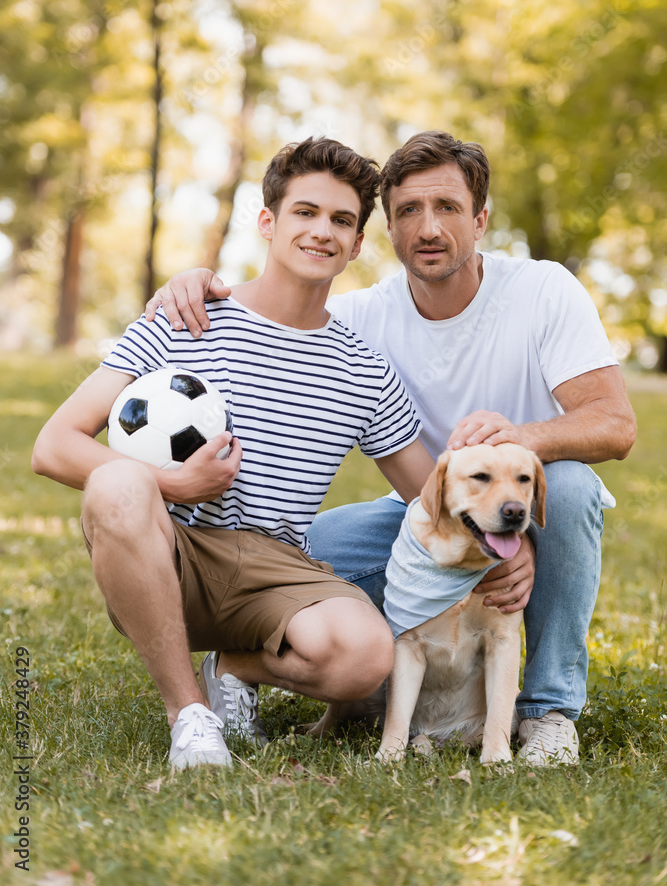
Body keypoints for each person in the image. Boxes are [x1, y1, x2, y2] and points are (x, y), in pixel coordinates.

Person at [148, 130, 637, 766]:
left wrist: (523, 439)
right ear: (385, 229)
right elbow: (276, 302)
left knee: (568, 485)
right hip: (421, 511)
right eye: (409, 211)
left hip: (526, 502)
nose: (429, 227)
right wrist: (192, 282)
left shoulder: (543, 291)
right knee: (285, 557)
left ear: (480, 219)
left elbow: (614, 424)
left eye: (448, 208)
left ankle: (546, 713)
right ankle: (239, 667)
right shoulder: (360, 317)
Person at [32, 137, 435, 770]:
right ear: (269, 222)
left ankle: (237, 668)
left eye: (341, 220)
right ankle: (190, 716)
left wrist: (506, 546)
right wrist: (175, 486)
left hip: (279, 565)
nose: (321, 232)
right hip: (174, 551)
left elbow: (429, 496)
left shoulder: (363, 366)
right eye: (305, 212)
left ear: (358, 243)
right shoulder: (184, 317)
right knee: (117, 484)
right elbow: (54, 445)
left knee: (365, 658)